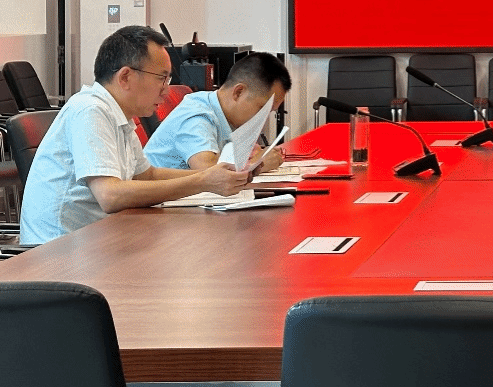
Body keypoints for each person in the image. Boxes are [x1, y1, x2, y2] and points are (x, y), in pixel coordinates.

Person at [19, 26, 251, 245]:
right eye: (161, 78)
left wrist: (214, 176)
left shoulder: (119, 113)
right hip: (58, 252)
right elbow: (110, 195)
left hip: (96, 241)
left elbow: (146, 175)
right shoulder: (90, 110)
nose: (166, 90)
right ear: (125, 77)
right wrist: (203, 182)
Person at [146, 52, 292, 171]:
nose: (263, 120)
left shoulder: (226, 114)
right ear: (238, 92)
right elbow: (208, 171)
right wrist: (259, 164)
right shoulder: (198, 116)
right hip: (161, 198)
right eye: (262, 109)